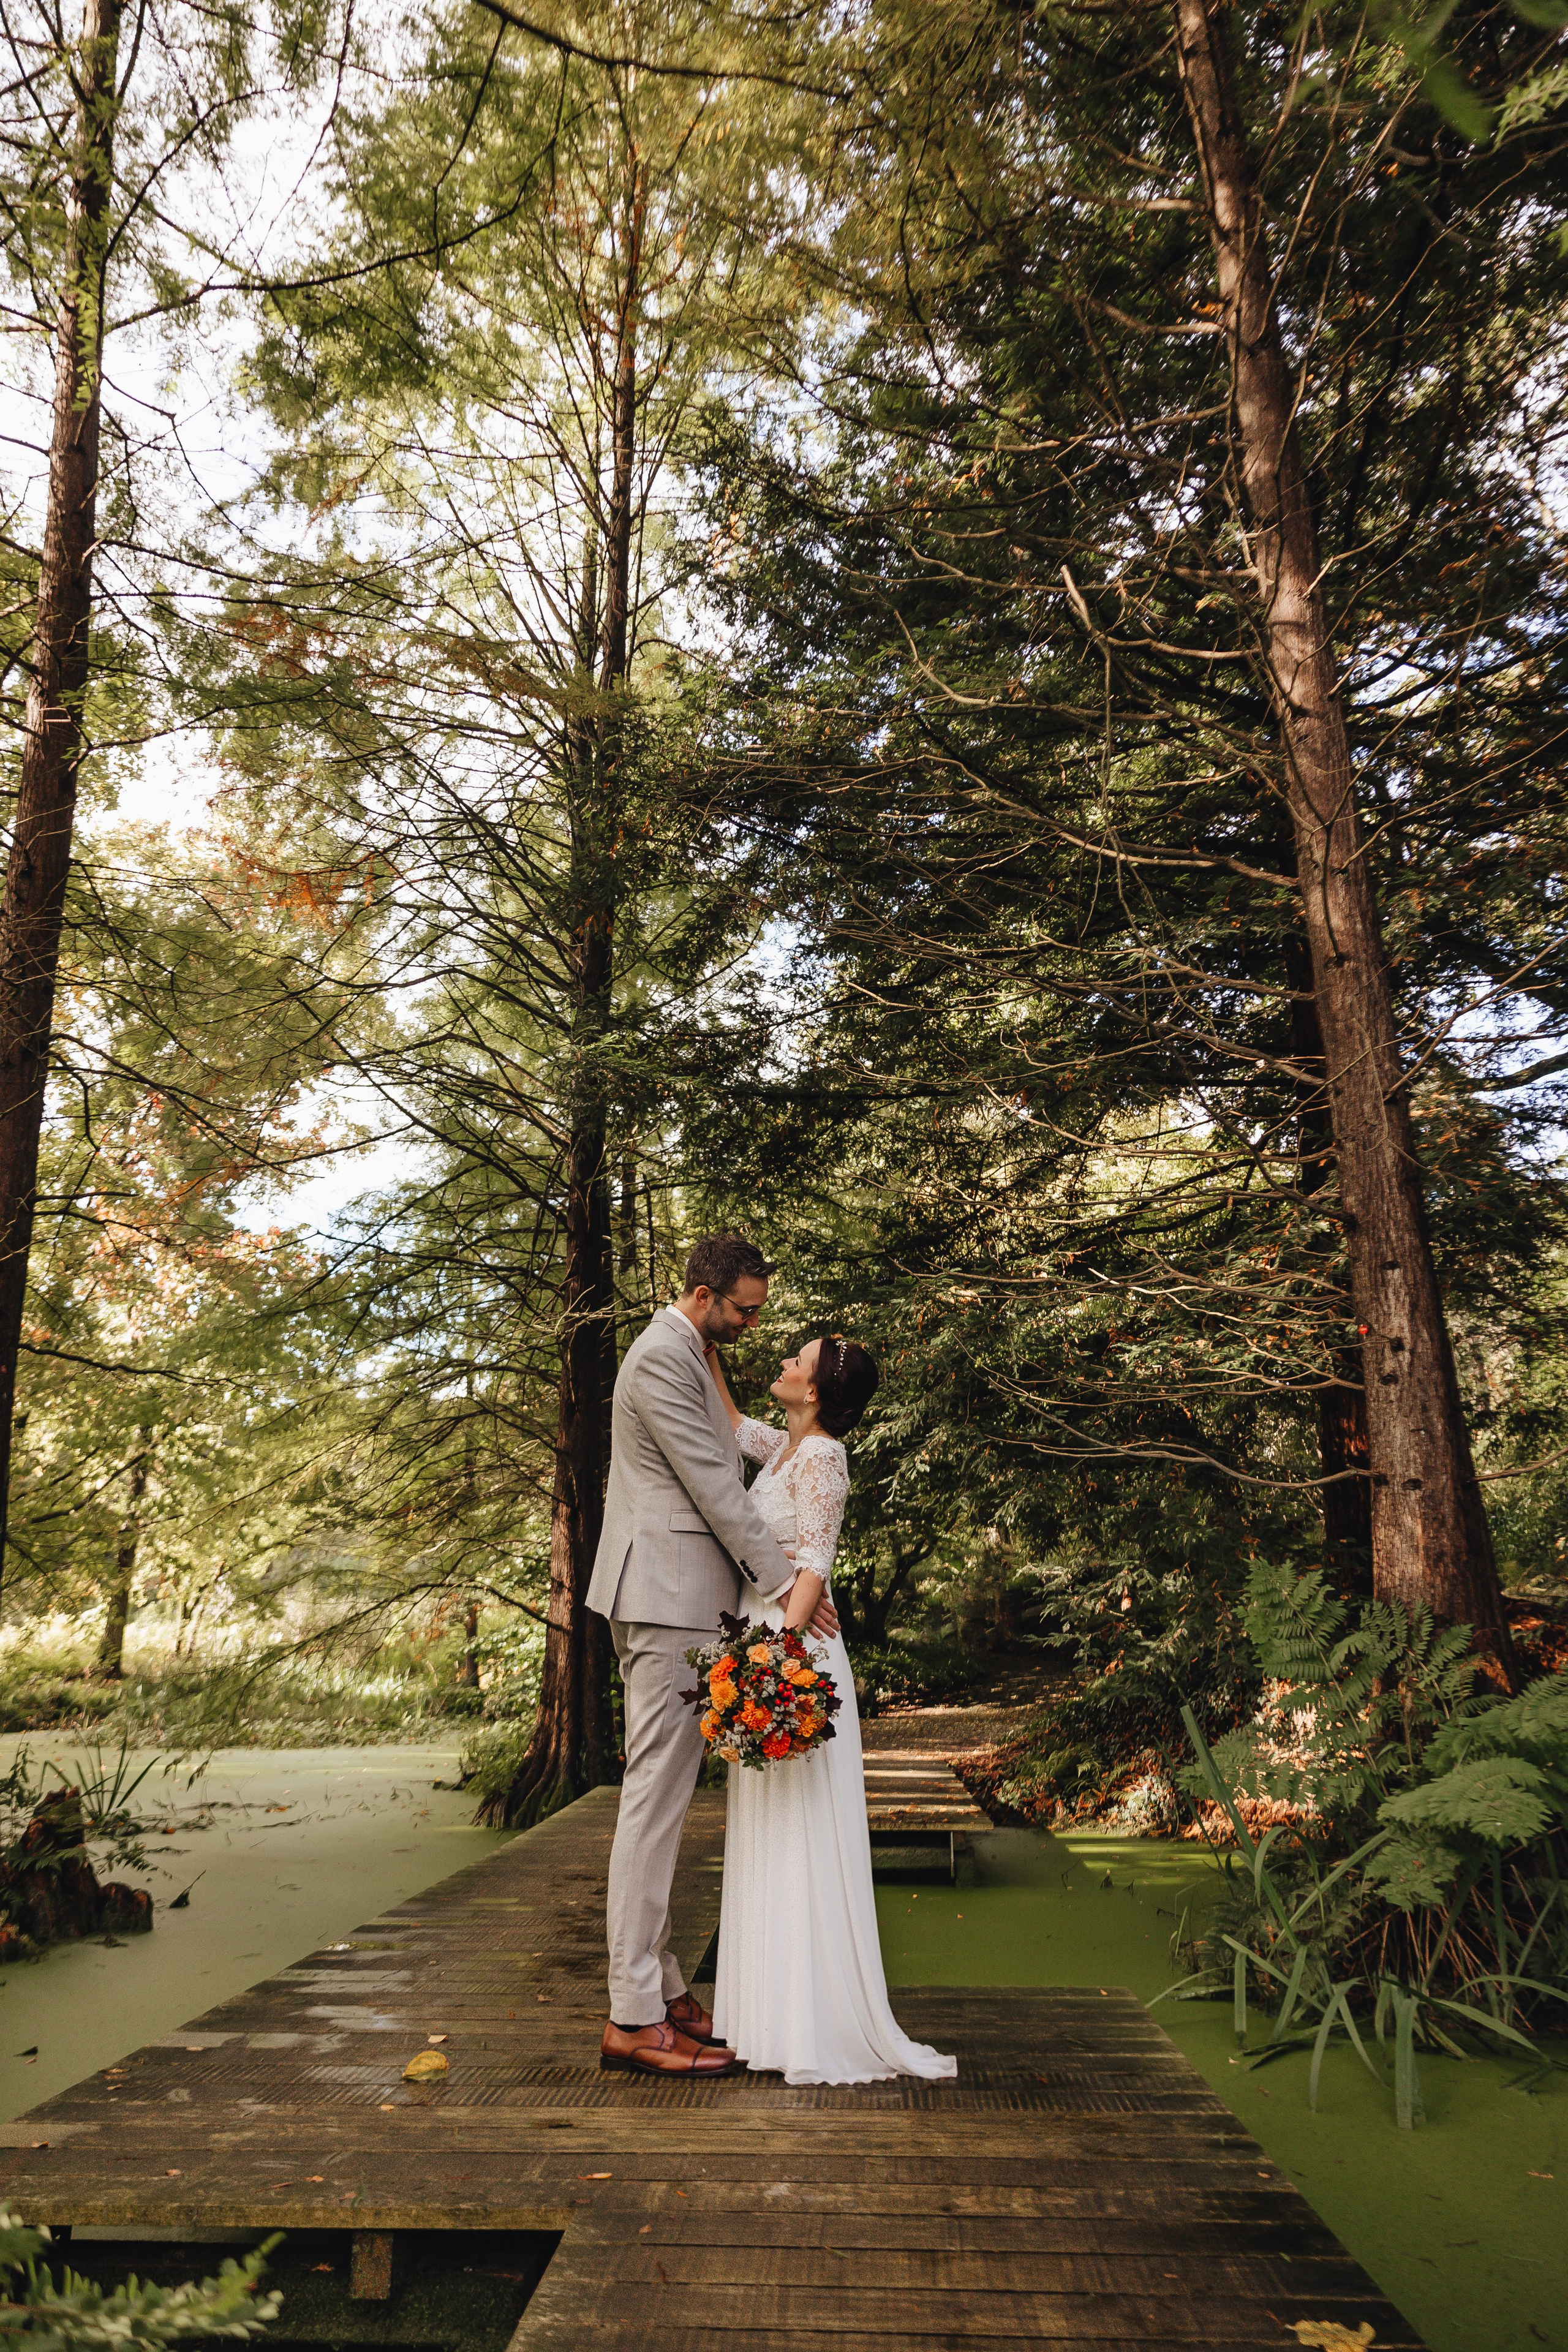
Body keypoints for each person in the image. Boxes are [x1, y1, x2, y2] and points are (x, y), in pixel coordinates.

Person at [587, 1234, 839, 2078]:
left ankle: (658, 1991)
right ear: (703, 1293)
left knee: (664, 1806)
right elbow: (712, 1481)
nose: (753, 1321)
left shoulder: (692, 1352)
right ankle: (630, 2014)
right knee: (653, 1807)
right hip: (664, 1599)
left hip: (687, 1601)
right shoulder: (661, 1357)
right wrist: (793, 1583)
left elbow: (745, 1443)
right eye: (744, 1308)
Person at [707, 1334, 957, 2086]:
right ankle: (765, 2019)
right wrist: (699, 1334)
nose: (782, 1363)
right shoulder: (782, 1448)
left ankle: (807, 2024)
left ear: (813, 1391)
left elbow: (816, 1563)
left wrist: (776, 1666)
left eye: (795, 1360)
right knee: (768, 1826)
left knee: (800, 1832)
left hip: (789, 1658)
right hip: (765, 1643)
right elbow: (727, 1420)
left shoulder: (822, 1459)